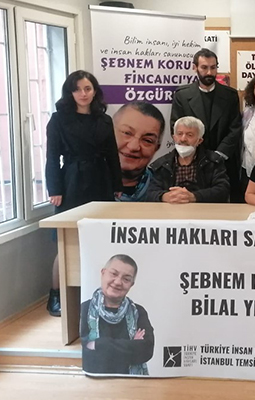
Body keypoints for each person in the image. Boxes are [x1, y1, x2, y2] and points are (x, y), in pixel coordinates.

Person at [45, 70, 123, 316]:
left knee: (101, 238)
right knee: (68, 241)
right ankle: (56, 295)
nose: (83, 94)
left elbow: (112, 155)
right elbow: (51, 157)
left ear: (94, 91)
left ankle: (95, 294)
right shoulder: (58, 119)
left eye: (87, 88)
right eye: (77, 89)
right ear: (70, 93)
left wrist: (117, 185)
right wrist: (55, 189)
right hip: (72, 181)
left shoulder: (104, 119)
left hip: (101, 180)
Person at [171, 48, 243, 202]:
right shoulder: (182, 95)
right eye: (204, 67)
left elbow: (235, 128)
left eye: (213, 67)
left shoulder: (230, 95)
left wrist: (219, 154)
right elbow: (176, 127)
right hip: (192, 160)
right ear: (195, 67)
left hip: (224, 161)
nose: (209, 72)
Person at [80, 254, 154, 375]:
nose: (118, 282)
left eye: (126, 279)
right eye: (114, 274)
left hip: (132, 384)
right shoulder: (84, 310)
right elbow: (86, 352)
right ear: (103, 273)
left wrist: (99, 344)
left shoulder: (138, 312)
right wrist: (131, 345)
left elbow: (146, 351)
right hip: (94, 383)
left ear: (131, 284)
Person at [146, 116, 230, 203]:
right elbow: (150, 192)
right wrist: (164, 196)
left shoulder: (213, 162)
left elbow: (223, 190)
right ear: (174, 137)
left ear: (199, 140)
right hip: (171, 208)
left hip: (203, 209)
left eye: (189, 135)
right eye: (179, 134)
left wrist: (194, 197)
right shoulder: (160, 165)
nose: (183, 139)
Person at [113, 101, 165, 202]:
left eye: (147, 140)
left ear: (156, 148)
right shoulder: (84, 181)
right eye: (127, 133)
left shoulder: (163, 187)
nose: (134, 147)